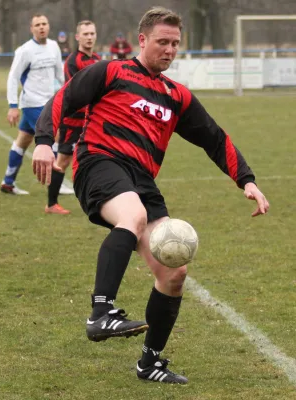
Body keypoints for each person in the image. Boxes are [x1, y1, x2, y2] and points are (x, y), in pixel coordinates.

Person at [32, 7, 270, 384]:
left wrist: (247, 180)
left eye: (175, 43)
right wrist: (45, 142)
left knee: (174, 271)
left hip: (142, 181)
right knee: (133, 216)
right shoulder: (111, 71)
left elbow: (214, 137)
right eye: (163, 42)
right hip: (99, 162)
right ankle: (100, 313)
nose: (170, 50)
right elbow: (63, 99)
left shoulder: (177, 96)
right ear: (142, 40)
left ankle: (150, 363)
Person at [0, 14, 64, 195]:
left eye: (44, 23)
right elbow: (13, 78)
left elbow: (60, 74)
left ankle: (7, 182)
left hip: (48, 102)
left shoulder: (53, 46)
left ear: (49, 26)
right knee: (57, 135)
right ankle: (56, 184)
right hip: (31, 104)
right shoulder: (25, 50)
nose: (41, 27)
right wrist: (13, 105)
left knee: (23, 141)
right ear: (32, 29)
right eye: (37, 25)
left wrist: (66, 94)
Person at [45, 20, 101, 215]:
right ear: (77, 37)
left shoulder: (97, 58)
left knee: (96, 155)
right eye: (85, 34)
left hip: (92, 119)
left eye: (92, 33)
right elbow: (78, 91)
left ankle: (98, 195)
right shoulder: (72, 61)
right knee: (62, 161)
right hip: (73, 120)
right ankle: (51, 204)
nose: (89, 37)